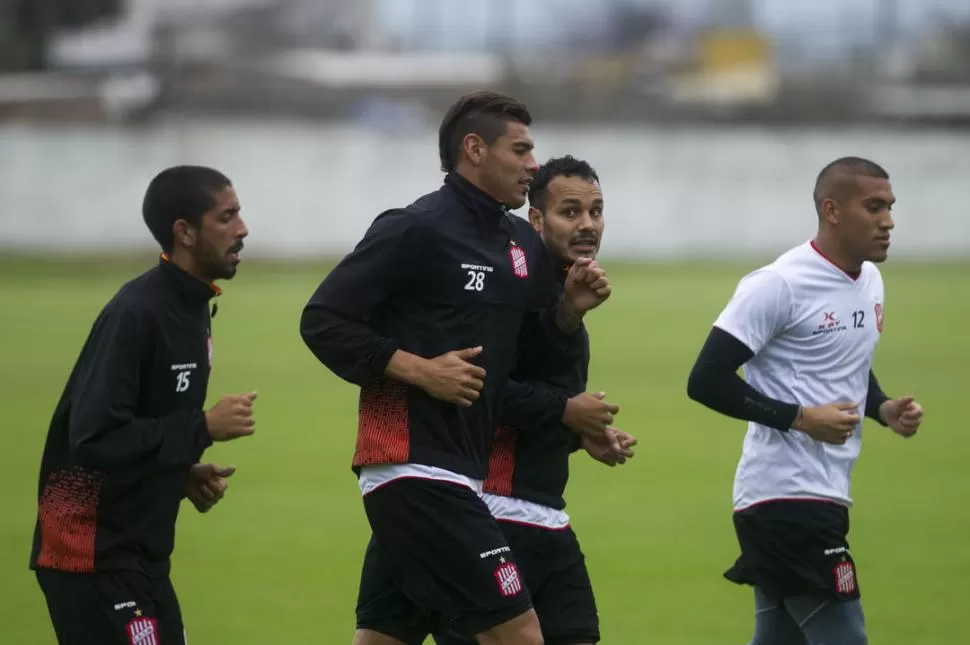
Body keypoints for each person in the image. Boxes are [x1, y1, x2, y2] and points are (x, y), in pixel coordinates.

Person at [300, 92, 612, 645]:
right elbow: (324, 320)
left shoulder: (518, 243)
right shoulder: (416, 227)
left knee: (384, 637)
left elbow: (521, 363)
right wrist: (419, 370)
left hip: (463, 476)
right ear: (475, 149)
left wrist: (567, 315)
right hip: (407, 467)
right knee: (518, 635)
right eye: (521, 150)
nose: (533, 165)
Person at [686, 156, 924, 645]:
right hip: (785, 499)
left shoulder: (870, 282)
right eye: (874, 207)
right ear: (832, 210)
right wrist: (799, 419)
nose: (889, 221)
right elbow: (706, 379)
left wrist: (880, 408)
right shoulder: (778, 284)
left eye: (891, 207)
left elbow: (844, 360)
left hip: (824, 493)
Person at [31, 165, 258, 645]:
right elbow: (94, 437)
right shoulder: (137, 312)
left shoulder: (192, 307)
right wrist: (201, 428)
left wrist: (178, 472)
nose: (242, 230)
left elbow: (142, 423)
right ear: (185, 232)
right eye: (227, 217)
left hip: (138, 552)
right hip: (87, 550)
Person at [433, 155, 637, 645]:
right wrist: (567, 412)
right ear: (537, 219)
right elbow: (481, 390)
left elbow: (536, 385)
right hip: (493, 509)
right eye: (571, 212)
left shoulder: (566, 286)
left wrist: (580, 433)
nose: (588, 224)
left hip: (544, 511)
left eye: (596, 211)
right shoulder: (510, 284)